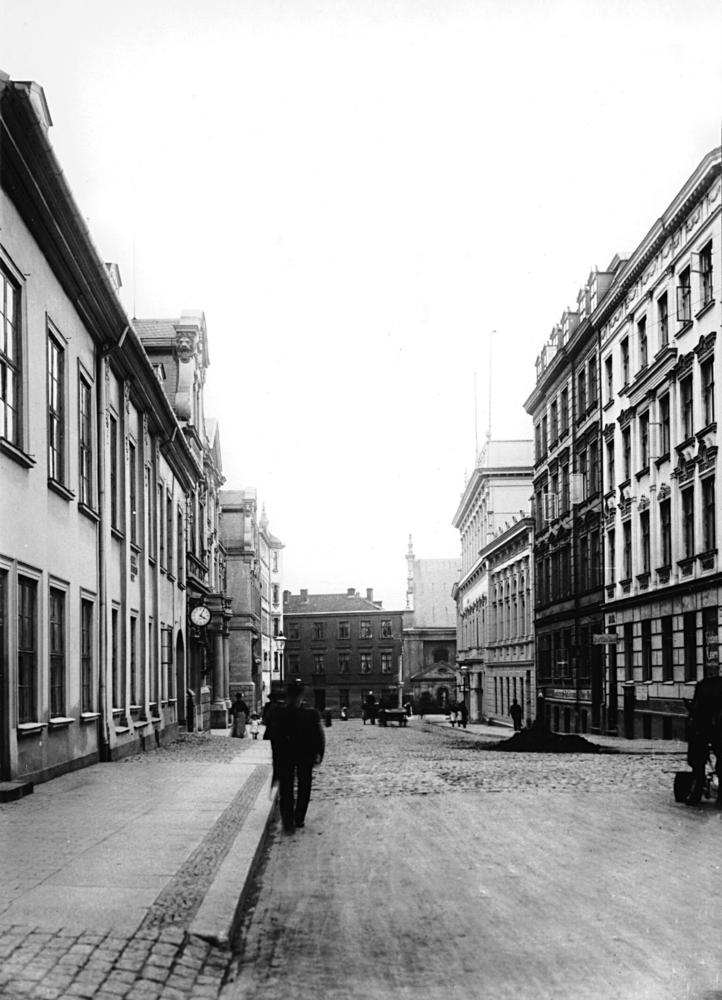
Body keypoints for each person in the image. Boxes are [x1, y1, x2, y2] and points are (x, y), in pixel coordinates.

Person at [272, 680, 325, 832]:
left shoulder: (280, 714)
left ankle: (289, 821)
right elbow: (318, 736)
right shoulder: (310, 714)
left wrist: (276, 761)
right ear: (301, 696)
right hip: (304, 756)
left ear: (288, 697)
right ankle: (299, 817)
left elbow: (275, 740)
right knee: (303, 786)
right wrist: (319, 753)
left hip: (287, 756)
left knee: (287, 787)